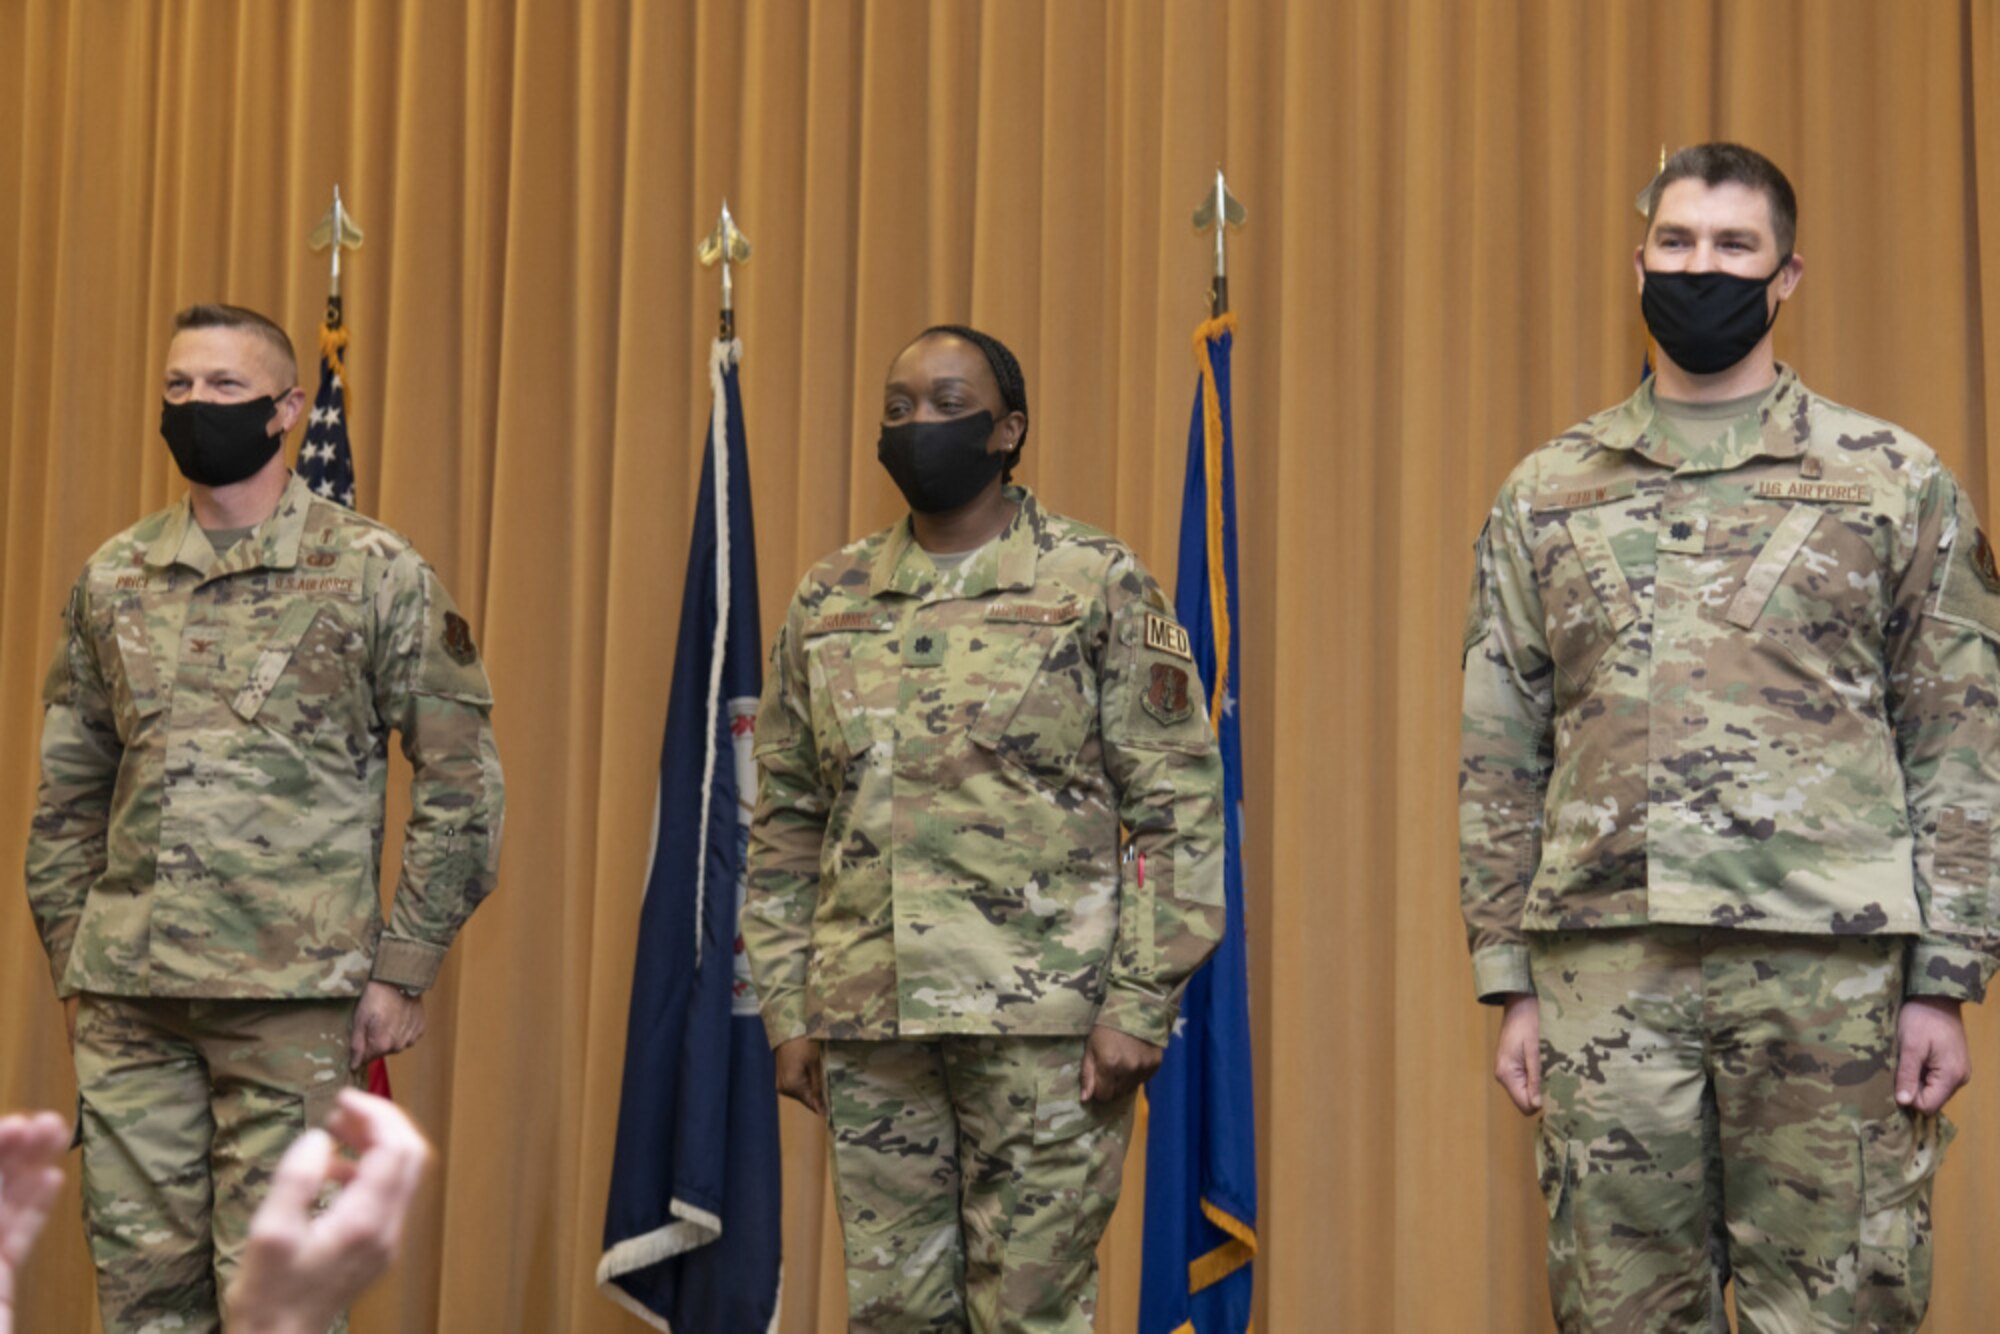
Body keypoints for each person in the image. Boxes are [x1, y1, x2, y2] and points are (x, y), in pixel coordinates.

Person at [1461, 141, 2000, 1332]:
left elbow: (1958, 736)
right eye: (1675, 242)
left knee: (1837, 1310)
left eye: (1731, 246)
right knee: (1616, 1313)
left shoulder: (1890, 478)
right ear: (1637, 259)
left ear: (1785, 274)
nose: (1697, 267)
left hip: (1830, 972)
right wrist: (1510, 977)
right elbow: (1501, 743)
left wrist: (1946, 979)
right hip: (1606, 967)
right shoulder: (1546, 487)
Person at [24, 303, 504, 1332]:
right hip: (132, 1001)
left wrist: (404, 962)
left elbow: (461, 780)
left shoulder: (375, 570)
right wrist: (79, 960)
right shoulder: (114, 576)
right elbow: (66, 794)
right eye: (179, 386)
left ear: (289, 408)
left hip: (292, 1000)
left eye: (225, 387)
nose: (197, 405)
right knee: (143, 1304)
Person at [744, 324, 1226, 1331]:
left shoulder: (1096, 583)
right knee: (893, 1315)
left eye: (948, 401)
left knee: (1028, 1313)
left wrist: (1139, 1001)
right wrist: (789, 1006)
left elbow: (1177, 805)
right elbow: (786, 819)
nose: (919, 421)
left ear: (1007, 429)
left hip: (1047, 1030)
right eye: (897, 405)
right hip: (874, 1025)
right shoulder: (827, 599)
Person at [0, 1092, 429, 1334]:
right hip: (120, 988)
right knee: (144, 1301)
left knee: (272, 1270)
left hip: (292, 990)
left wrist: (404, 969)